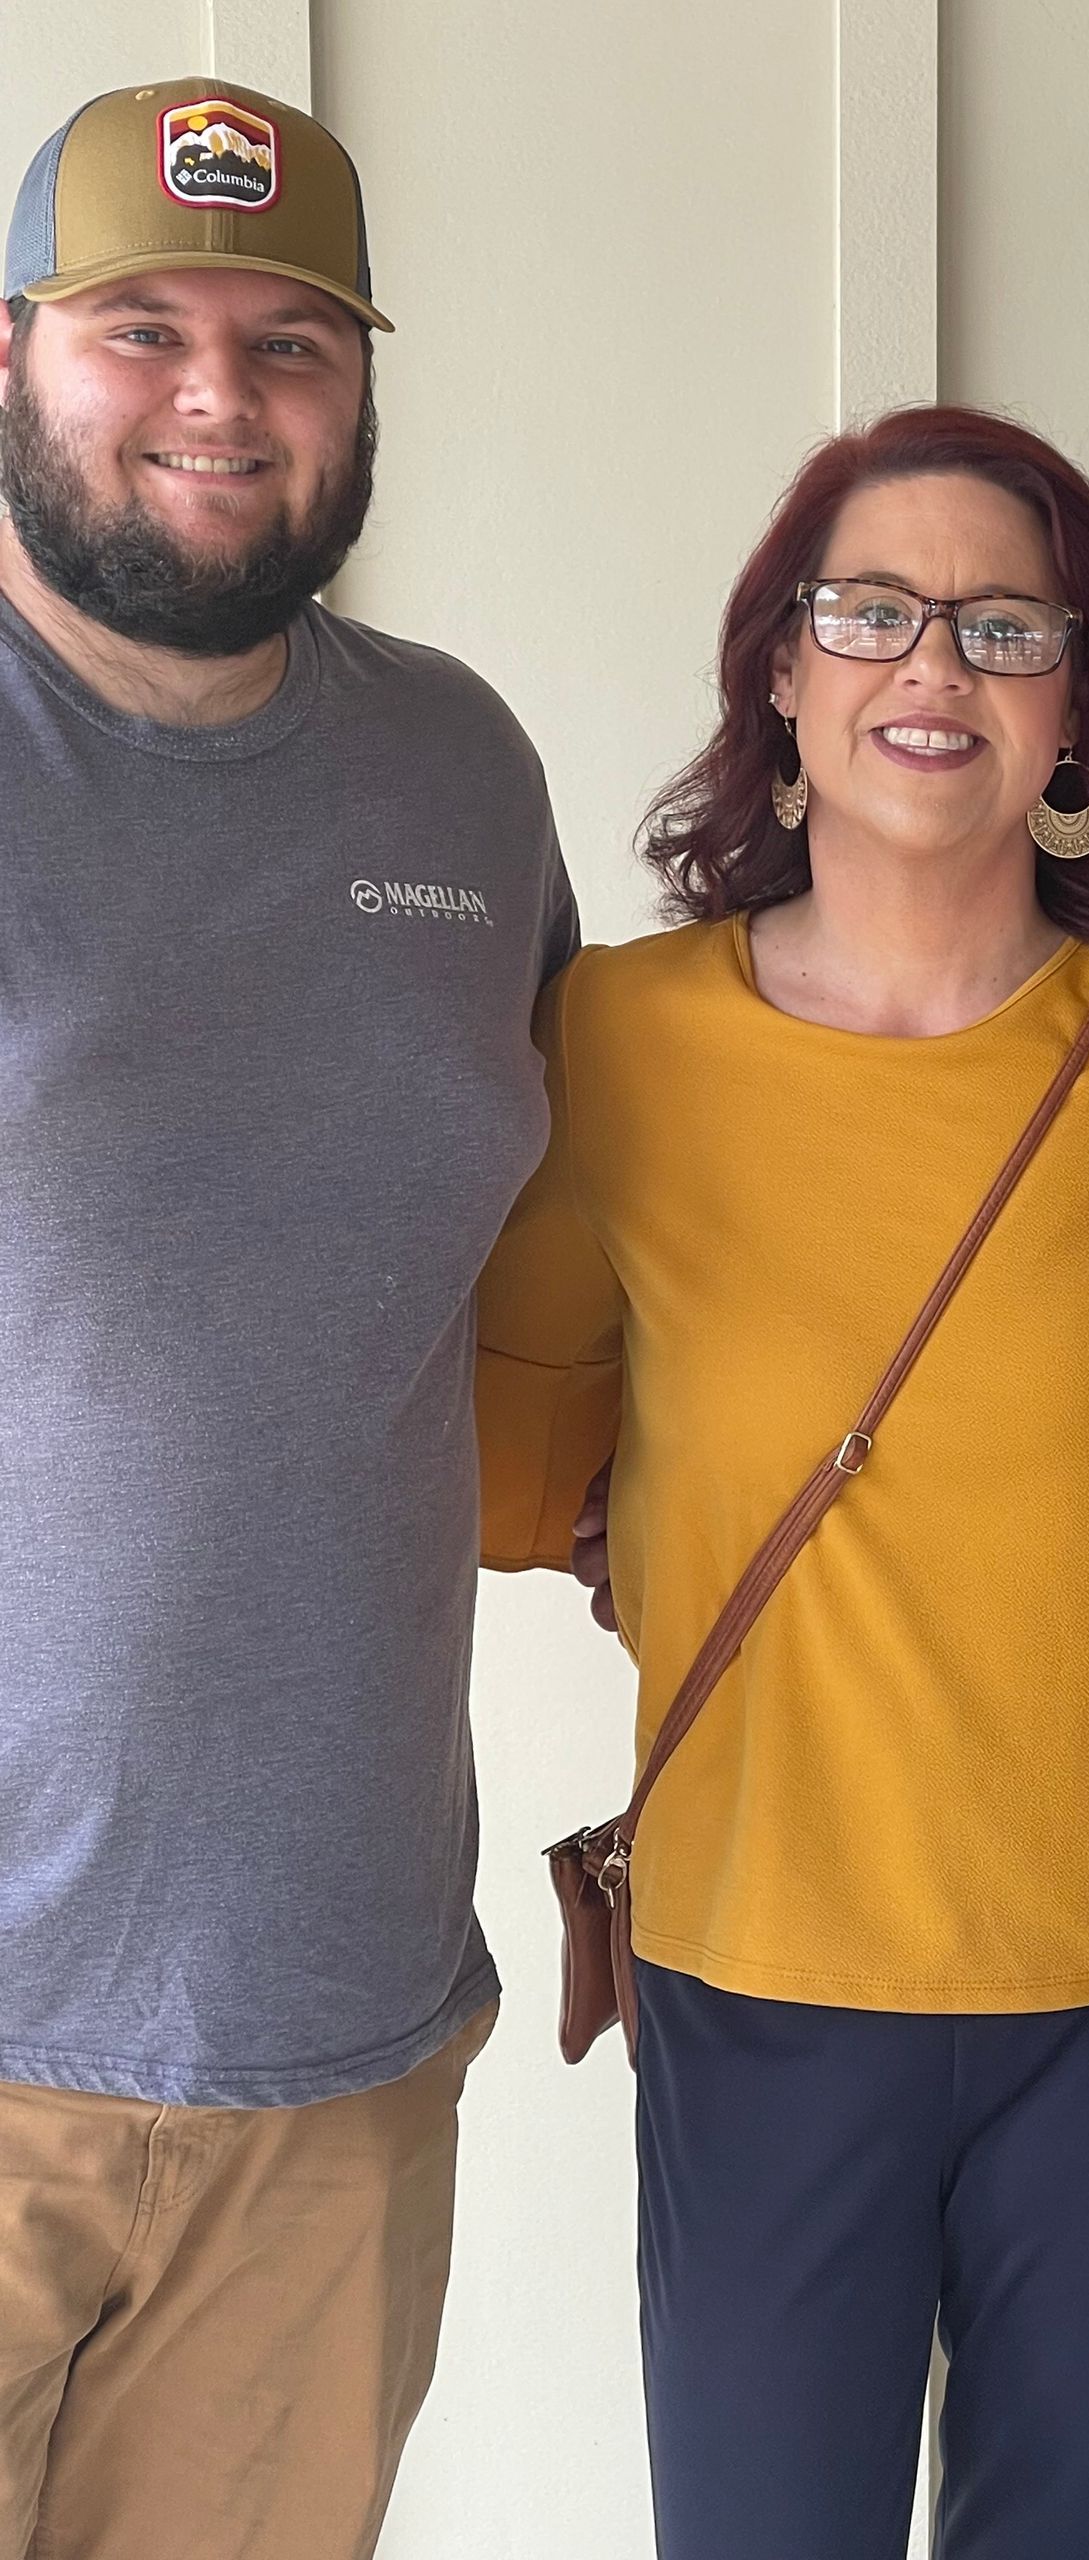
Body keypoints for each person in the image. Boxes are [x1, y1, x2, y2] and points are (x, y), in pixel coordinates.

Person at [477, 404, 1089, 2560]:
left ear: (1080, 702)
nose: (938, 665)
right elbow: (512, 1460)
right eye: (875, 613)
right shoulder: (618, 1037)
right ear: (782, 674)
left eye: (1011, 625)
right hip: (762, 1971)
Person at [0, 79, 575, 2560]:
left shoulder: (457, 769)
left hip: (327, 2034)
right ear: (16, 355)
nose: (221, 396)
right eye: (145, 328)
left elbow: (597, 1278)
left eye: (293, 340)